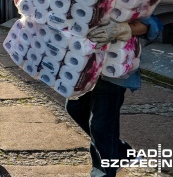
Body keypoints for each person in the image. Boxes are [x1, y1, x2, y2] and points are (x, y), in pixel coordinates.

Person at [67, 16, 162, 177]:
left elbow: (153, 25)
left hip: (114, 69)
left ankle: (103, 172)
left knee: (100, 125)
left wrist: (123, 29)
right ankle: (121, 153)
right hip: (84, 66)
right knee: (74, 107)